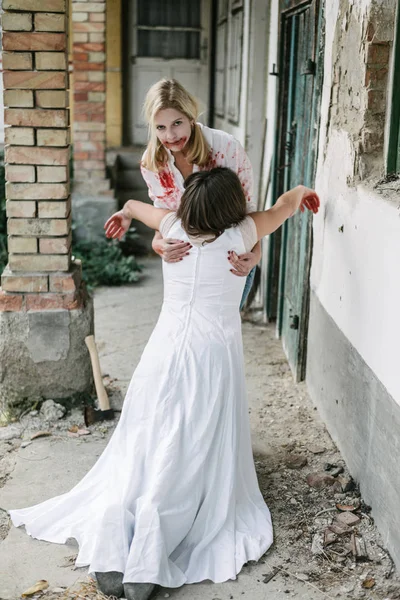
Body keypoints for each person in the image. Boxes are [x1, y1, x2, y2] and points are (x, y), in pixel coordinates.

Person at [8, 168, 319, 600]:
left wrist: (123, 212)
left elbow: (138, 207)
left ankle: (118, 548)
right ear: (233, 211)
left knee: (147, 440)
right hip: (210, 358)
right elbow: (284, 206)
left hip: (163, 354)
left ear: (187, 207)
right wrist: (303, 191)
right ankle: (149, 557)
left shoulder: (172, 227)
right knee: (189, 445)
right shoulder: (243, 234)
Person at [138, 78, 260, 307]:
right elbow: (161, 212)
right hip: (184, 261)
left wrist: (256, 254)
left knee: (222, 329)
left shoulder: (225, 147)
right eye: (160, 128)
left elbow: (248, 208)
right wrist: (157, 242)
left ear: (191, 118)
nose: (170, 136)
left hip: (230, 258)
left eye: (177, 123)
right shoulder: (151, 163)